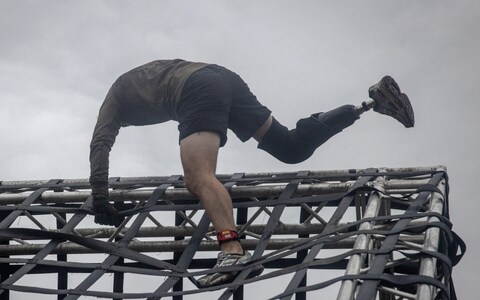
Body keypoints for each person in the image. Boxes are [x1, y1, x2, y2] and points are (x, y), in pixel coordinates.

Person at [89, 59, 414, 287]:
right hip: (220, 78)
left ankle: (231, 251)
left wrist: (100, 198)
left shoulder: (115, 98)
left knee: (197, 178)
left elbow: (100, 142)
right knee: (290, 148)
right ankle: (370, 105)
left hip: (194, 89)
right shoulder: (141, 76)